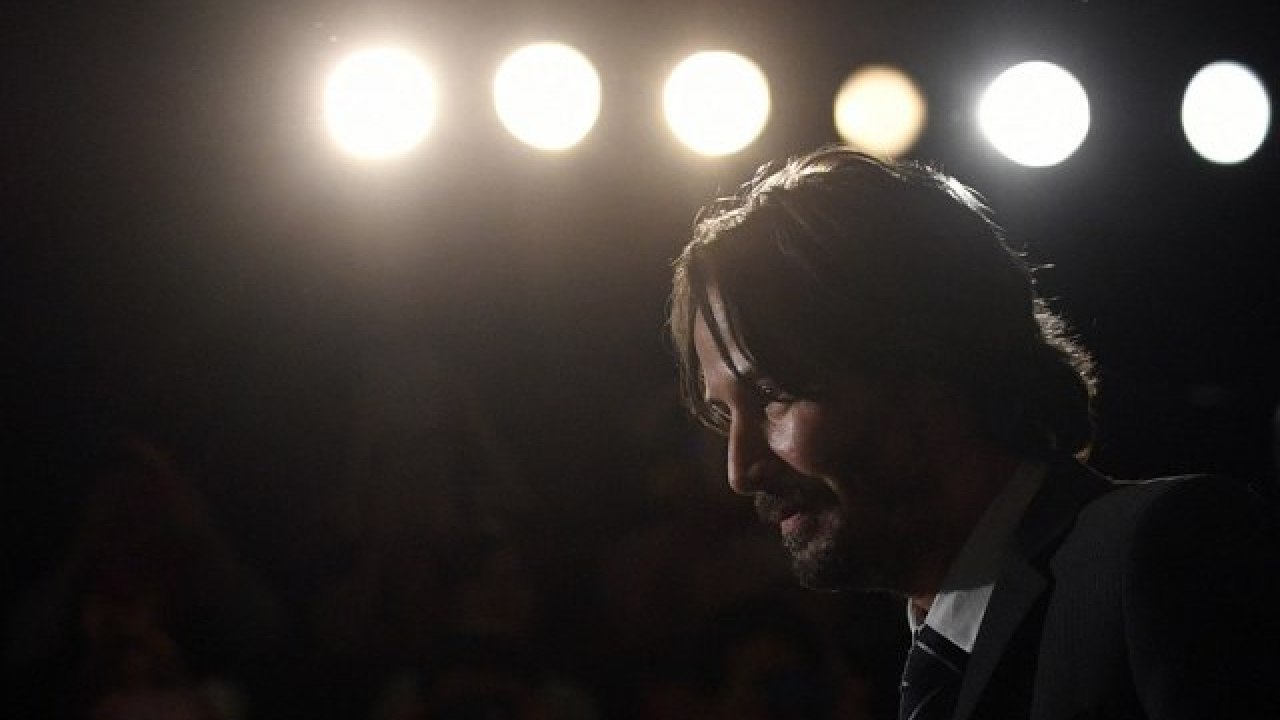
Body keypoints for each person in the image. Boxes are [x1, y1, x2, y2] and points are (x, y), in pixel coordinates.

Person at [666, 146, 1280, 720]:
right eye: (723, 415)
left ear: (925, 362)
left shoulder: (1159, 555)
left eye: (772, 395)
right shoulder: (889, 670)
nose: (739, 470)